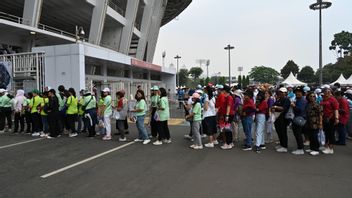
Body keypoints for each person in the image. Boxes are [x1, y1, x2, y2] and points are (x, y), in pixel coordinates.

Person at [320, 87, 339, 154]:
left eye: (328, 91)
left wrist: (336, 118)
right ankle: (326, 146)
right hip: (325, 118)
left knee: (331, 133)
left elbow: (336, 109)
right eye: (325, 91)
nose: (327, 92)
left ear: (331, 92)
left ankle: (331, 148)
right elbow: (322, 108)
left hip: (331, 119)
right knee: (326, 133)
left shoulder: (333, 99)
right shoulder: (324, 99)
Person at [273, 87, 291, 153]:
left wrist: (275, 107)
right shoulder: (279, 99)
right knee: (279, 131)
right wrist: (274, 107)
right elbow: (273, 105)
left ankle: (284, 146)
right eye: (280, 92)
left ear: (285, 93)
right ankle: (281, 144)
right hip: (277, 117)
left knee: (283, 132)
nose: (280, 93)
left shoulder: (286, 100)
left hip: (283, 118)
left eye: (282, 92)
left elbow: (283, 108)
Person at [290, 86, 307, 155]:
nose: (297, 93)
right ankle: (300, 148)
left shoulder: (302, 100)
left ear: (302, 93)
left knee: (298, 134)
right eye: (296, 92)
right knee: (297, 134)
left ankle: (300, 149)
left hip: (299, 119)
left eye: (299, 92)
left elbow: (300, 110)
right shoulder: (298, 99)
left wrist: (294, 106)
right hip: (297, 118)